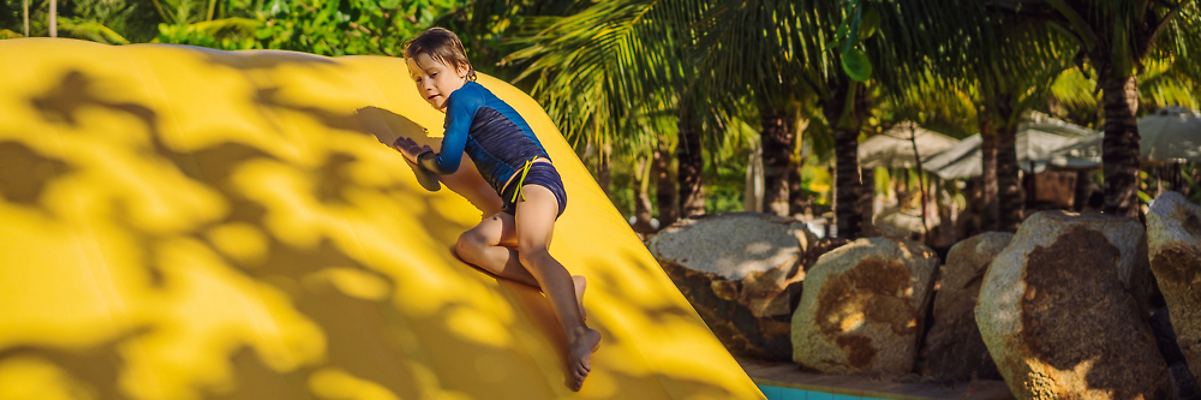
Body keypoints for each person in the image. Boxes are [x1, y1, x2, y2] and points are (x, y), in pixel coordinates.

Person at [390, 27, 601, 391]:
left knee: (534, 251)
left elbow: (448, 161)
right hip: (517, 196)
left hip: (534, 180)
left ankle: (578, 333)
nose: (426, 85)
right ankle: (565, 285)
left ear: (461, 67)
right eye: (417, 78)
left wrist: (419, 155)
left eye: (432, 74)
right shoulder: (464, 99)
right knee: (471, 244)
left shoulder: (465, 98)